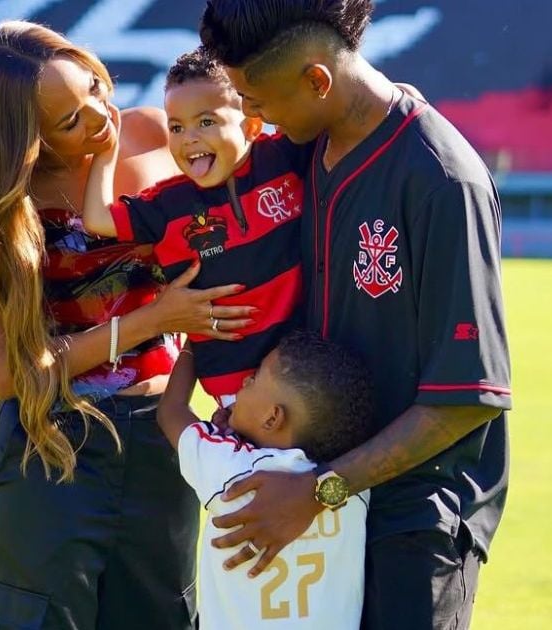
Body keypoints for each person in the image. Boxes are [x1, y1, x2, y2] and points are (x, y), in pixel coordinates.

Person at [198, 2, 513, 628]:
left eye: (256, 100)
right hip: (308, 505)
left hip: (411, 518)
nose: (251, 119)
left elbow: (467, 397)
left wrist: (321, 491)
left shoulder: (445, 181)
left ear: (317, 80)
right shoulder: (300, 153)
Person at [0, 21, 253, 629]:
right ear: (22, 138)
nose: (99, 116)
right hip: (52, 445)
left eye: (92, 85)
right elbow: (9, 375)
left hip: (160, 438)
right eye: (69, 120)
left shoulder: (159, 133)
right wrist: (152, 321)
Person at [81, 48, 313, 409]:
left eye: (206, 122)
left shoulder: (284, 157)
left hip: (305, 369)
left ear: (251, 125)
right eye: (176, 127)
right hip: (236, 391)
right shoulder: (167, 205)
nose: (188, 138)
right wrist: (106, 152)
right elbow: (97, 219)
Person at [157, 329, 375, 629]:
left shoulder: (233, 472)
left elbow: (172, 410)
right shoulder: (354, 484)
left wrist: (197, 337)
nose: (245, 381)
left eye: (256, 377)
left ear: (273, 418)